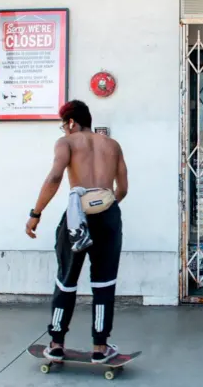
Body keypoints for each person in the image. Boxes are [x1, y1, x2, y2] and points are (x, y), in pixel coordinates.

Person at [25, 99, 128, 364]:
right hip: (108, 217)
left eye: (64, 126)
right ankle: (100, 348)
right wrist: (104, 206)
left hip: (77, 219)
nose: (64, 131)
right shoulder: (113, 145)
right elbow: (123, 189)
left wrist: (35, 214)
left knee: (66, 280)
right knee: (104, 284)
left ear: (71, 122)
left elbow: (55, 177)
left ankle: (56, 343)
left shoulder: (67, 143)